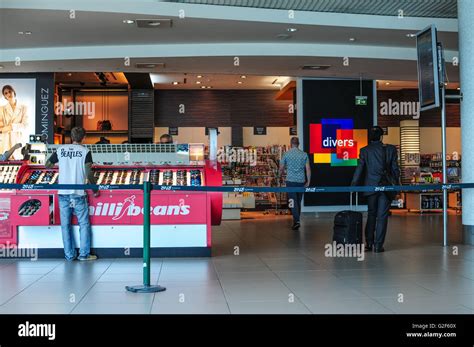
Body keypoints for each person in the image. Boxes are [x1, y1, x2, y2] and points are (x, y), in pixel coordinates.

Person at [46, 127, 99, 261]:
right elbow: (88, 172)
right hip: (78, 192)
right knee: (84, 224)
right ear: (84, 138)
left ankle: (69, 255)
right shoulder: (85, 151)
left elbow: (47, 164)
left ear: (71, 137)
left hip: (63, 192)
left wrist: (61, 166)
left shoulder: (60, 149)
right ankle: (84, 254)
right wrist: (95, 189)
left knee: (65, 225)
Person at [351, 126, 400, 253]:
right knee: (382, 216)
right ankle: (378, 246)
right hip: (386, 187)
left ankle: (369, 243)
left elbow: (359, 170)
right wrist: (397, 186)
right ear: (381, 136)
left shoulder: (364, 151)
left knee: (371, 214)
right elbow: (395, 170)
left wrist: (353, 185)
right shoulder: (390, 149)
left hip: (370, 186)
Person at [279, 137, 311, 230]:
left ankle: (296, 221)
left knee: (292, 202)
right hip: (301, 181)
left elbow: (281, 168)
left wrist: (279, 176)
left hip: (290, 181)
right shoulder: (304, 154)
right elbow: (308, 169)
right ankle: (297, 220)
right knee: (298, 202)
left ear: (290, 144)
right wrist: (308, 181)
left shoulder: (286, 154)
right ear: (298, 144)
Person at [0, 85, 28, 158]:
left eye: (10, 91)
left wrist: (10, 127)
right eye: (6, 93)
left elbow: (25, 125)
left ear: (14, 92)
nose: (8, 94)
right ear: (4, 96)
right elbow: (0, 128)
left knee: (19, 163)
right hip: (5, 142)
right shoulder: (2, 109)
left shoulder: (23, 107)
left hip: (18, 140)